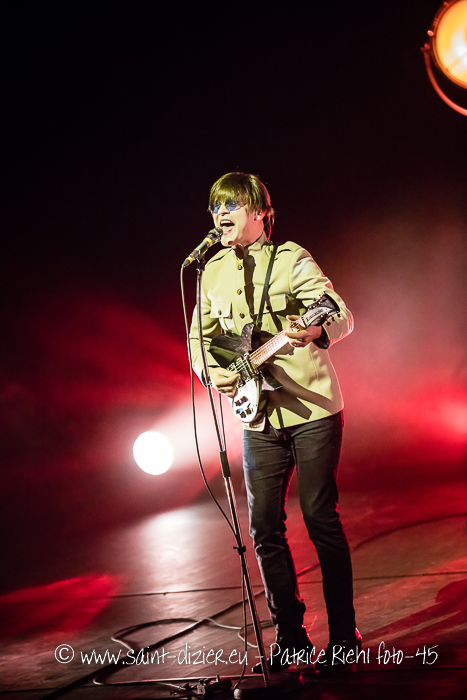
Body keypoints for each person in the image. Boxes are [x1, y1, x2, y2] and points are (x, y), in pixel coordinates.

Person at [189, 172, 360, 671]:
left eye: (231, 206)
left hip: (312, 409)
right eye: (215, 207)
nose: (220, 215)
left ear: (260, 212)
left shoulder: (291, 258)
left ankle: (344, 637)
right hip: (258, 416)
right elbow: (199, 337)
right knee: (263, 526)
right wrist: (214, 373)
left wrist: (315, 330)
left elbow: (340, 313)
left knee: (320, 518)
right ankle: (290, 636)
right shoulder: (211, 271)